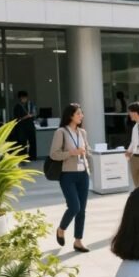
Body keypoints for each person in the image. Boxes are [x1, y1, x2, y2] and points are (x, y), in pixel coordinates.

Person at [50, 103, 91, 253]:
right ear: (70, 116)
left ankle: (78, 241)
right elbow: (54, 154)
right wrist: (72, 153)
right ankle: (61, 229)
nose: (82, 116)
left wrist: (87, 152)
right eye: (79, 113)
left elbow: (87, 150)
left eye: (81, 113)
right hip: (68, 175)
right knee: (75, 206)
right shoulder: (61, 132)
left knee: (82, 210)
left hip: (83, 174)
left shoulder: (83, 132)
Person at [12, 90, 36, 160]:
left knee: (32, 141)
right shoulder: (17, 106)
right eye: (23, 98)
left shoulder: (30, 104)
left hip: (30, 125)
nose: (24, 99)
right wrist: (25, 117)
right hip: (21, 126)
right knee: (22, 142)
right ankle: (23, 157)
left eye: (25, 98)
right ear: (20, 98)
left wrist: (32, 115)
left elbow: (34, 113)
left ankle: (32, 156)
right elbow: (17, 118)